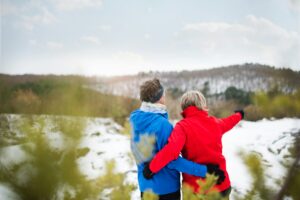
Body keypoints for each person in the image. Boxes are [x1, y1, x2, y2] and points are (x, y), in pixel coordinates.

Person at [130, 79, 225, 200]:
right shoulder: (163, 125)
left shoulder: (134, 119)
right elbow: (171, 159)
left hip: (145, 188)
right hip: (166, 191)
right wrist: (205, 170)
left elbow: (137, 151)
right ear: (160, 98)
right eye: (163, 95)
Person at [143, 90, 244, 198]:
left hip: (196, 190)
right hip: (222, 186)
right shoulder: (215, 122)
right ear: (202, 104)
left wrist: (151, 168)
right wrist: (239, 115)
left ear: (183, 106)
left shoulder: (182, 127)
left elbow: (171, 152)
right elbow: (229, 121)